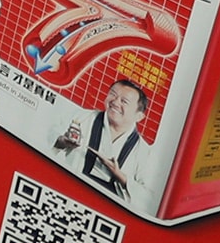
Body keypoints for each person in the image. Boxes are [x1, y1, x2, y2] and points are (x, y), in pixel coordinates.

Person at [56, 77, 158, 206]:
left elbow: (149, 198)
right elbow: (47, 138)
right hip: (67, 194)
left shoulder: (145, 153)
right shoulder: (81, 118)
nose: (115, 102)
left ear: (139, 116)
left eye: (124, 101)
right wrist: (61, 142)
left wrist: (121, 176)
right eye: (113, 94)